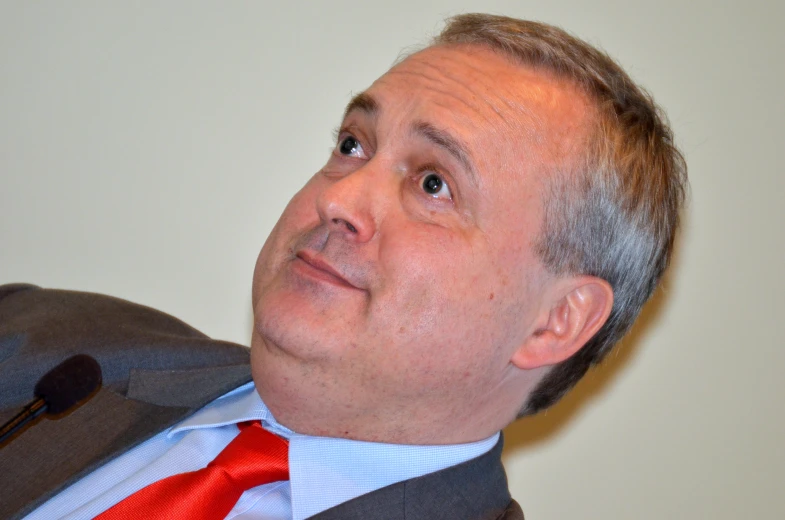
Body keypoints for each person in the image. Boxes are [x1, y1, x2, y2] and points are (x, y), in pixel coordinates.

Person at [0, 13, 686, 520]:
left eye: (432, 185)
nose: (337, 199)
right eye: (353, 145)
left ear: (553, 323)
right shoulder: (42, 337)